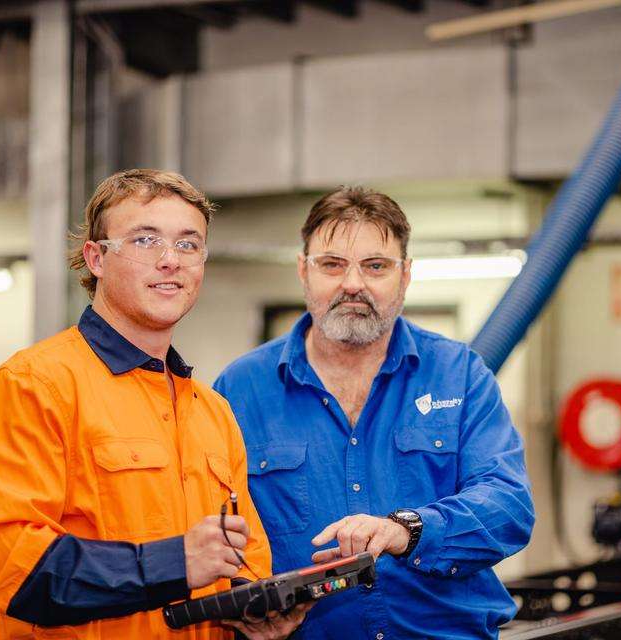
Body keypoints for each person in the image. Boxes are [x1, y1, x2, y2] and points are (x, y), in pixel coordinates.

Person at [0, 169, 307, 640]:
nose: (171, 261)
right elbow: (5, 566)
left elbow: (244, 557)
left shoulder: (212, 411)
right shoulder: (34, 385)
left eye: (188, 244)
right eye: (146, 241)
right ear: (96, 258)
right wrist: (174, 562)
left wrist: (253, 613)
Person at [214, 186, 535, 640]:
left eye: (376, 266)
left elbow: (509, 506)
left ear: (405, 276)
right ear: (303, 272)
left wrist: (407, 531)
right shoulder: (239, 390)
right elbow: (215, 530)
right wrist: (249, 602)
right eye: (332, 264)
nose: (352, 284)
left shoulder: (460, 376)